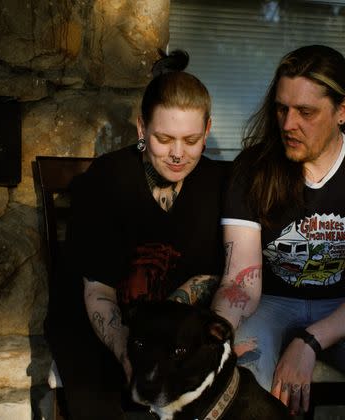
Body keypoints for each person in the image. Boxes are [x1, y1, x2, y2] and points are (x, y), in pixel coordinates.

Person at [210, 44, 345, 419]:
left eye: (306, 112)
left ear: (343, 111)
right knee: (244, 364)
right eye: (282, 108)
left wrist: (309, 342)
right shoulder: (251, 169)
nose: (288, 124)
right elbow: (241, 282)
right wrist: (218, 334)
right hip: (269, 303)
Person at [67, 50, 227, 419]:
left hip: (177, 342)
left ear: (207, 130)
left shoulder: (220, 183)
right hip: (103, 331)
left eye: (190, 140)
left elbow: (227, 273)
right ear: (141, 129)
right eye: (163, 138)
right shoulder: (106, 181)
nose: (177, 154)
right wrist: (126, 352)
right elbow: (98, 290)